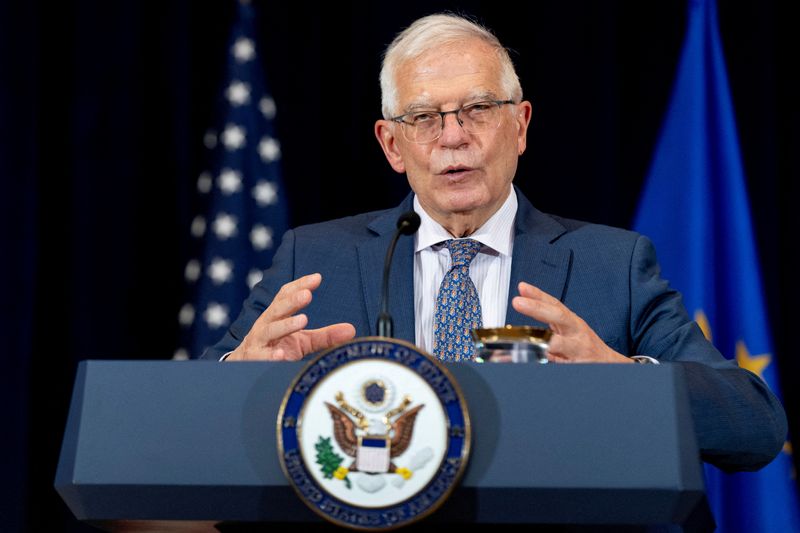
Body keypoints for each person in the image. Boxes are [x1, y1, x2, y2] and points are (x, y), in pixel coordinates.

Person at [202, 13, 786, 472]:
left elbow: (754, 423)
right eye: (425, 117)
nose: (454, 136)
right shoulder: (315, 260)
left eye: (479, 109)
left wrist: (621, 378)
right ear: (392, 145)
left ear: (521, 125)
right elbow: (187, 407)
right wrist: (239, 375)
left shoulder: (613, 264)